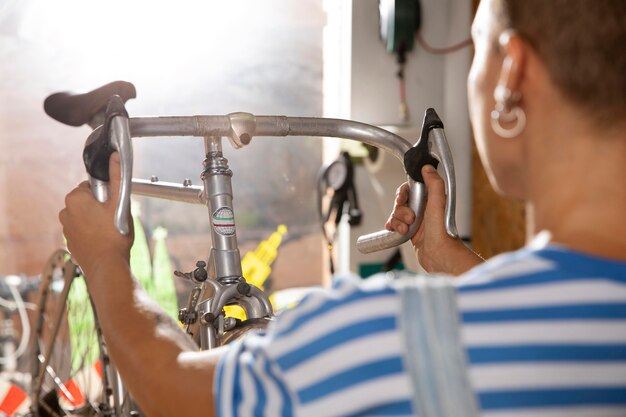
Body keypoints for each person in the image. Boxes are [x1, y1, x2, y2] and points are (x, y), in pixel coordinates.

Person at [59, 0, 626, 416]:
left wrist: (107, 266)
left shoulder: (393, 336)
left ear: (512, 74)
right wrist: (450, 258)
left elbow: (174, 391)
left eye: (478, 50)